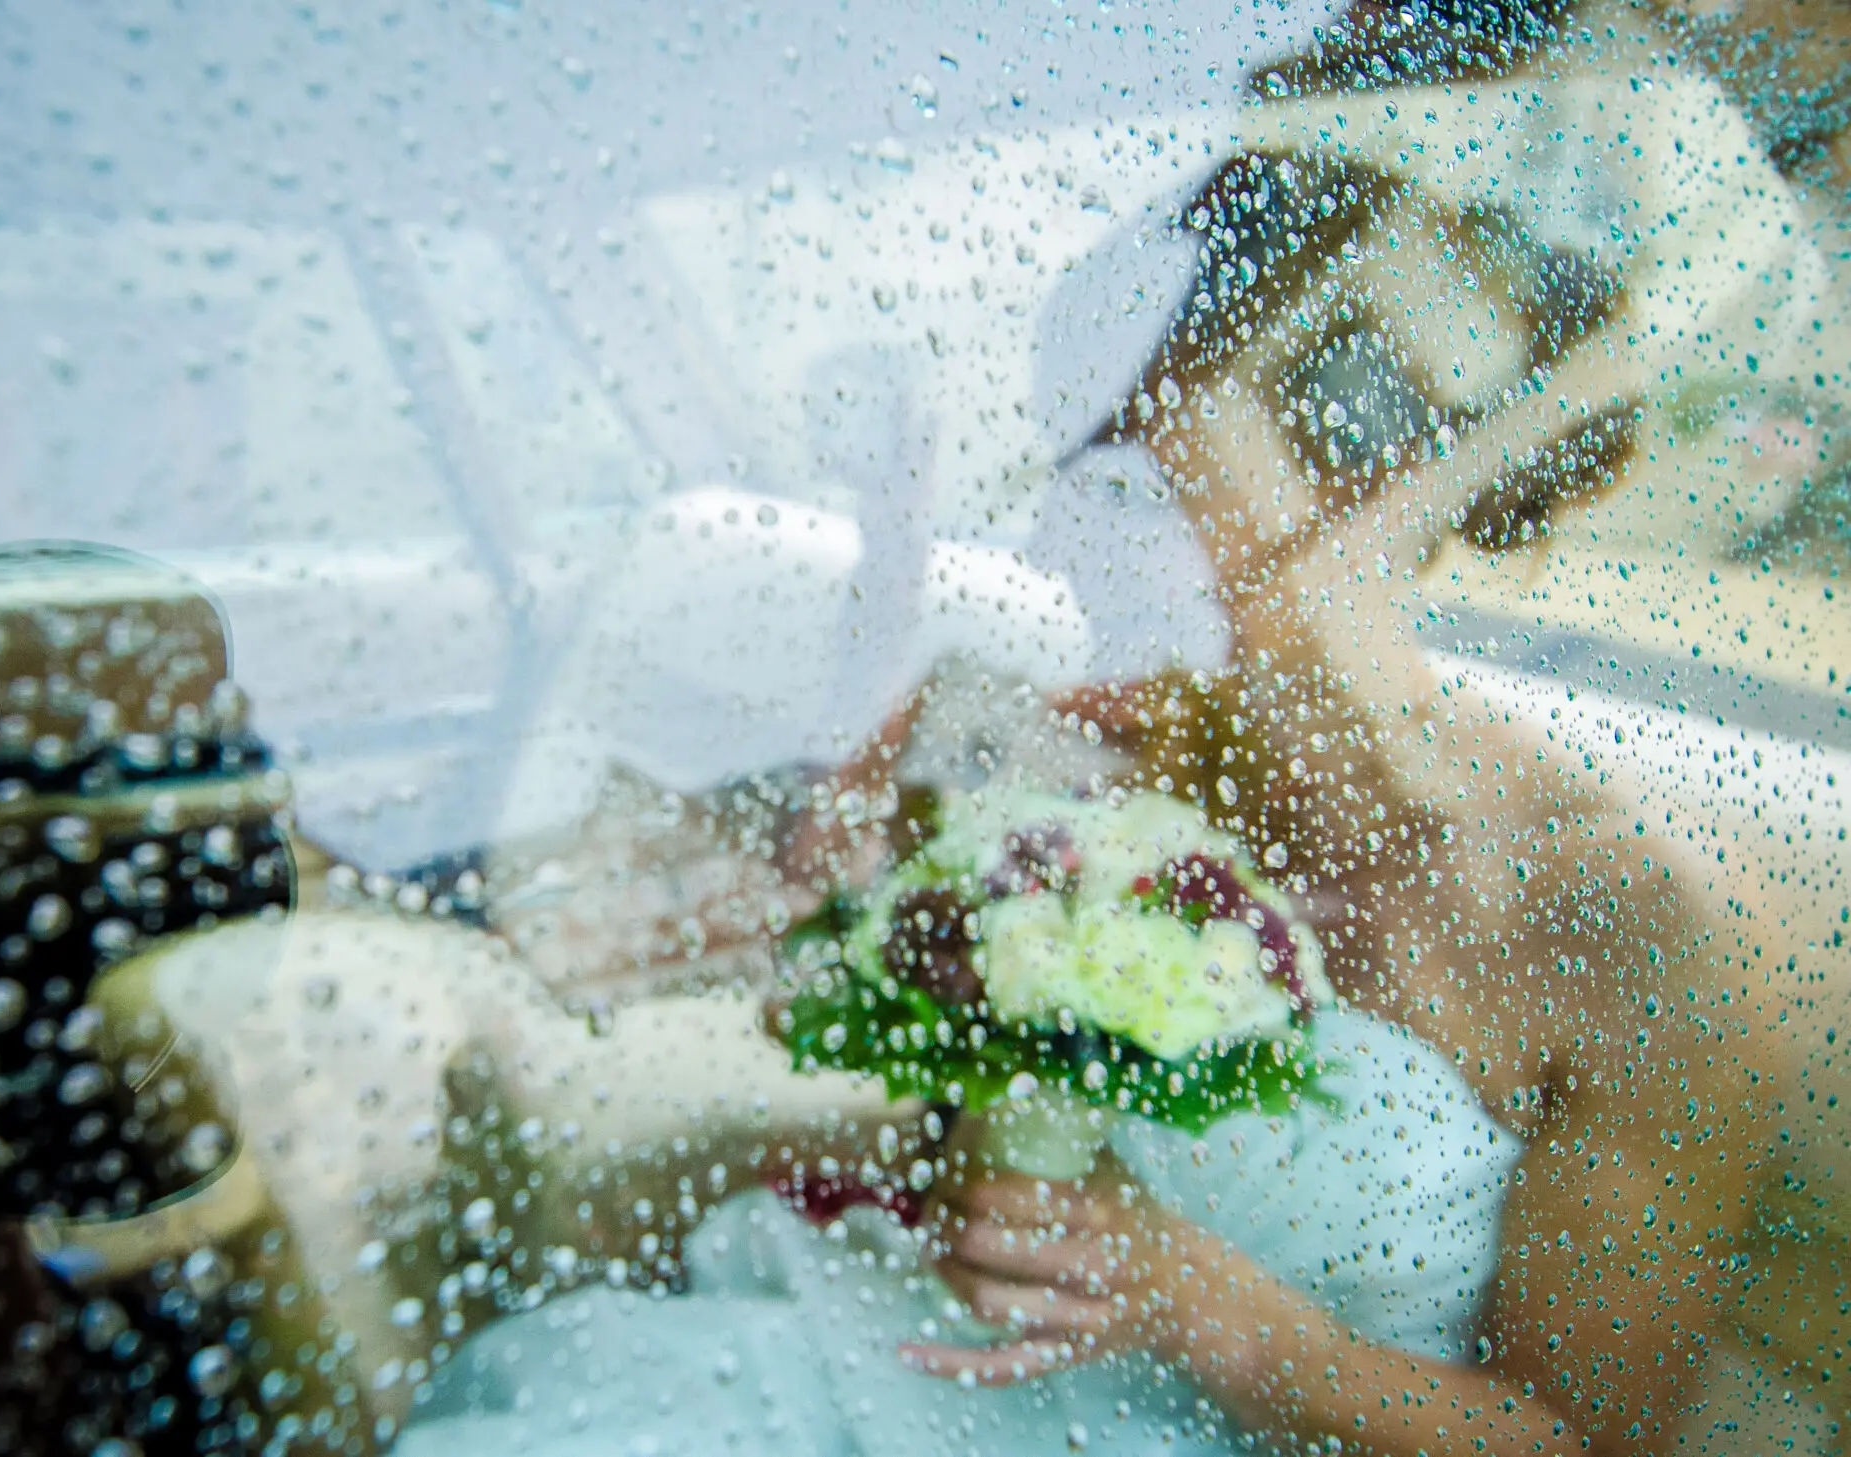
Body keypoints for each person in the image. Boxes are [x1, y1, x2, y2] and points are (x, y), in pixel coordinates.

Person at [347, 3, 1845, 1453]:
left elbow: (1582, 1444)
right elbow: (934, 1082)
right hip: (916, 1364)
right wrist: (885, 945)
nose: (1079, 544)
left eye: (1138, 478)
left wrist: (1245, 1331)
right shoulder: (1096, 769)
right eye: (1090, 477)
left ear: (1362, 486)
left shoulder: (1630, 945)